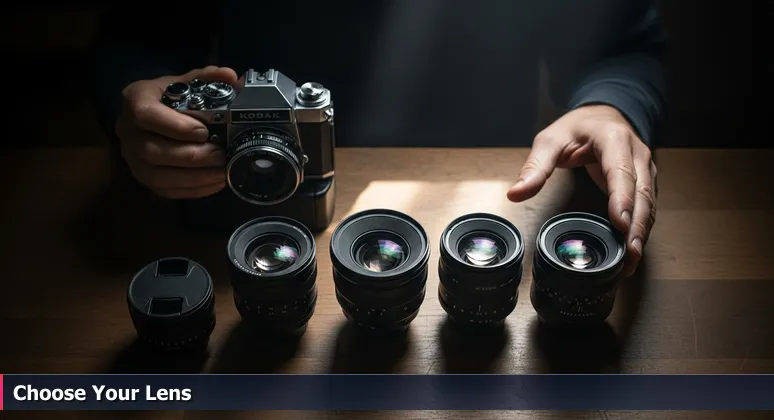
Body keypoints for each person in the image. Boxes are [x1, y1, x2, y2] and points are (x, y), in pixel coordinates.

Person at [89, 0, 667, 276]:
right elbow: (134, 38)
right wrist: (135, 105)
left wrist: (610, 107)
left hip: (497, 201)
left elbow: (620, 42)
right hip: (231, 223)